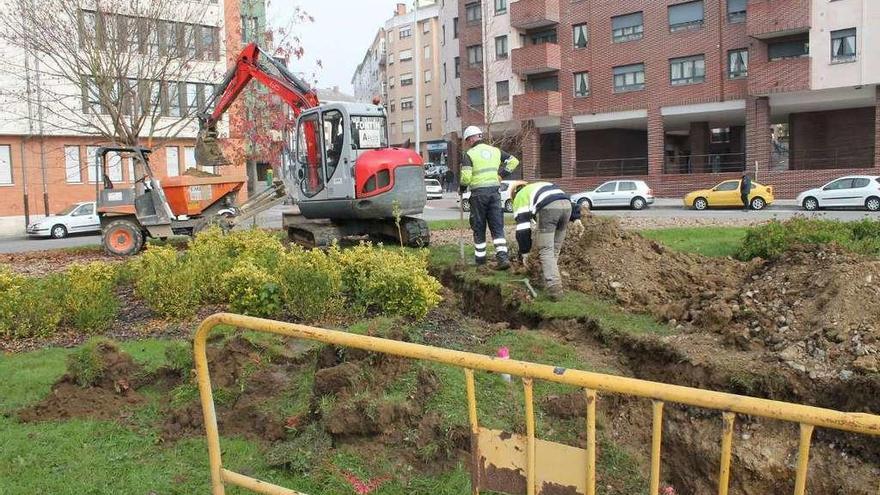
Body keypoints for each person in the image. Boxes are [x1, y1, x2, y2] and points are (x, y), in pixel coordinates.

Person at [460, 126, 520, 269]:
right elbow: (514, 161)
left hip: (478, 195)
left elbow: (466, 177)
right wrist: (501, 175)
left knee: (479, 226)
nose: (468, 143)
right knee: (497, 225)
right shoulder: (495, 151)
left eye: (468, 140)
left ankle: (480, 262)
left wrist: (462, 188)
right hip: (494, 193)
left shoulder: (469, 154)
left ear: (471, 138)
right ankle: (502, 258)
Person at [511, 182, 584, 300]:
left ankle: (555, 289)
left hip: (549, 209)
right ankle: (545, 280)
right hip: (567, 207)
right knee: (554, 249)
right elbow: (563, 198)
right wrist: (576, 218)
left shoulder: (520, 197)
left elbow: (523, 229)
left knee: (546, 250)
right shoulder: (539, 186)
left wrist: (525, 253)